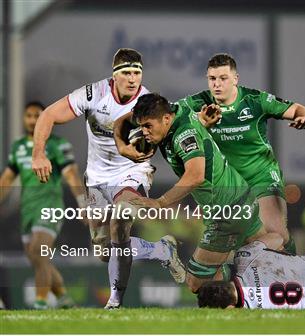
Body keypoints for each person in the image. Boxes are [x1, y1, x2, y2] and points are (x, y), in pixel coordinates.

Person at [30, 48, 184, 309]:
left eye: (137, 73)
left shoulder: (146, 102)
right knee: (105, 250)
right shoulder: (93, 94)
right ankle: (160, 250)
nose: (133, 79)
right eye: (127, 73)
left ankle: (114, 301)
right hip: (97, 178)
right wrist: (38, 153)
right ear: (114, 76)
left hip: (131, 173)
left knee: (122, 215)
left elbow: (167, 131)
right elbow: (48, 115)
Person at [126, 93, 267, 293]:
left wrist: (161, 202)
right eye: (141, 126)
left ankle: (243, 286)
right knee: (266, 260)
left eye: (148, 126)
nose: (144, 132)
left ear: (166, 119)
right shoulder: (178, 109)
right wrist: (203, 122)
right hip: (240, 196)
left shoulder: (184, 135)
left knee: (196, 282)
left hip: (226, 212)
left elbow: (195, 175)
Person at [185, 53, 305, 255]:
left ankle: (293, 263)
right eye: (212, 79)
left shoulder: (255, 101)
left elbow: (296, 109)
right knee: (249, 243)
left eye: (223, 78)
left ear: (235, 79)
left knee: (276, 233)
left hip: (261, 174)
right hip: (229, 183)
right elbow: (166, 114)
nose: (217, 84)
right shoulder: (198, 103)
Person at [0, 102, 84, 309]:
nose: (32, 120)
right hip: (28, 208)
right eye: (28, 115)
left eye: (37, 115)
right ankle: (63, 297)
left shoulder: (57, 144)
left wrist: (83, 203)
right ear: (23, 119)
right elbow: (8, 179)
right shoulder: (18, 147)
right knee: (37, 259)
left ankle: (40, 304)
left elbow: (71, 174)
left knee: (39, 251)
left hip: (50, 206)